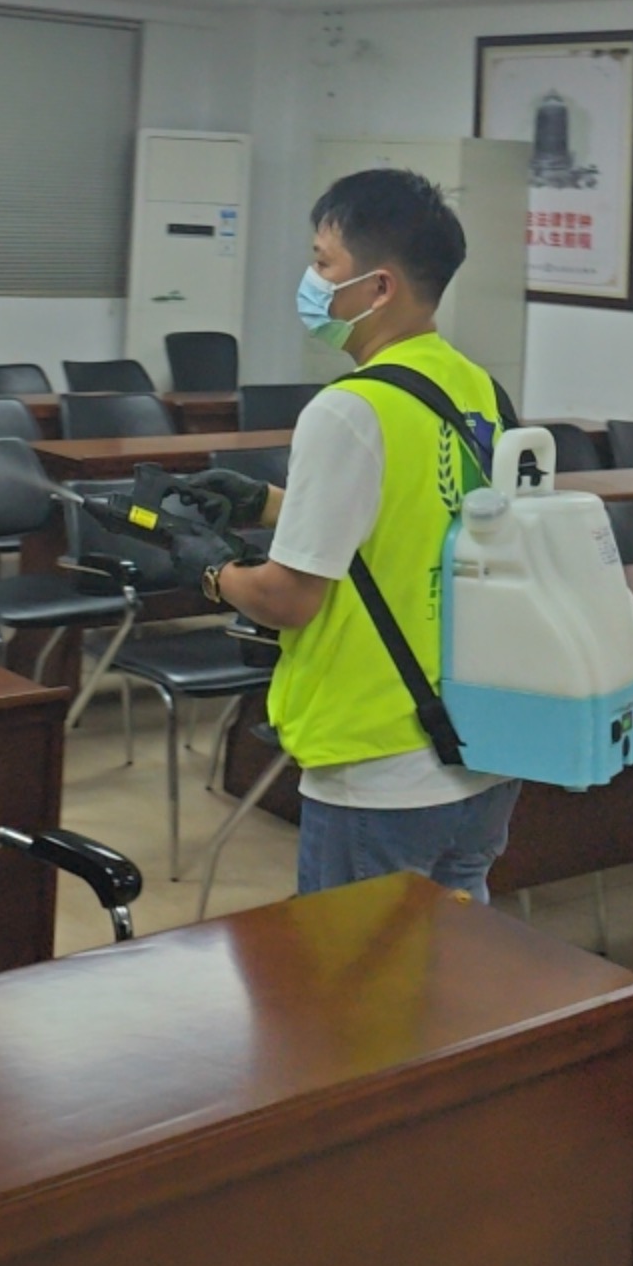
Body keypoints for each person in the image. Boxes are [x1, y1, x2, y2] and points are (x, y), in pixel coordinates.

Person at [180, 167, 520, 900]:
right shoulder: (479, 389)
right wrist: (267, 503)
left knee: (356, 968)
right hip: (482, 742)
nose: (311, 281)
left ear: (378, 286)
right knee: (458, 955)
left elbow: (288, 598)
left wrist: (211, 569)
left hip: (381, 757)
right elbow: (417, 517)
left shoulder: (350, 409)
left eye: (323, 262)